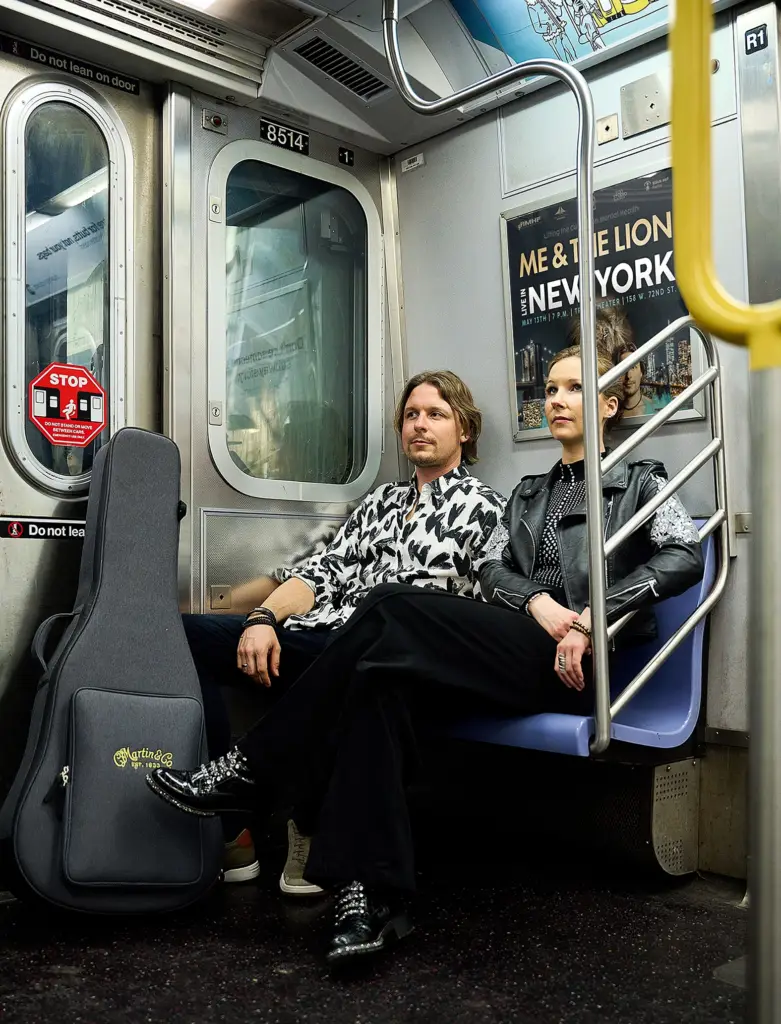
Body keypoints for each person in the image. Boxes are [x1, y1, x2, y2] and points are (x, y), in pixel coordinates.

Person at [147, 335, 704, 968]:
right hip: (526, 637)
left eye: (575, 389)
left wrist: (588, 618)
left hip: (579, 662)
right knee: (377, 684)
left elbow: (682, 557)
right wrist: (539, 604)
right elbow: (493, 570)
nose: (556, 399)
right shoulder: (528, 493)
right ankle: (370, 896)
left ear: (608, 405)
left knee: (388, 604)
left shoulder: (640, 480)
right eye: (550, 388)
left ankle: (251, 769)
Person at [180, 370, 505, 892]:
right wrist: (263, 618)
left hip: (390, 654)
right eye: (411, 415)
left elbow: (481, 607)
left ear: (464, 430)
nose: (420, 425)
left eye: (436, 415)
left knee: (353, 668)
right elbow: (320, 573)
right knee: (187, 637)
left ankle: (307, 820)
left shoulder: (486, 509)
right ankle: (233, 826)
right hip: (322, 633)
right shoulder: (380, 502)